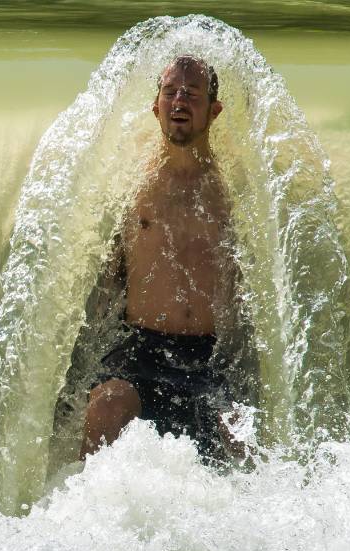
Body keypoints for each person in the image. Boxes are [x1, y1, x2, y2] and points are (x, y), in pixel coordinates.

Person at [79, 55, 246, 462]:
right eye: (170, 92)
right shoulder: (133, 182)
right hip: (140, 352)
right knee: (106, 406)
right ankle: (69, 516)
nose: (179, 102)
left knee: (243, 437)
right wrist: (75, 372)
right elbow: (108, 278)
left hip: (209, 358)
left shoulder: (235, 190)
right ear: (156, 106)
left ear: (213, 109)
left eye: (192, 93)